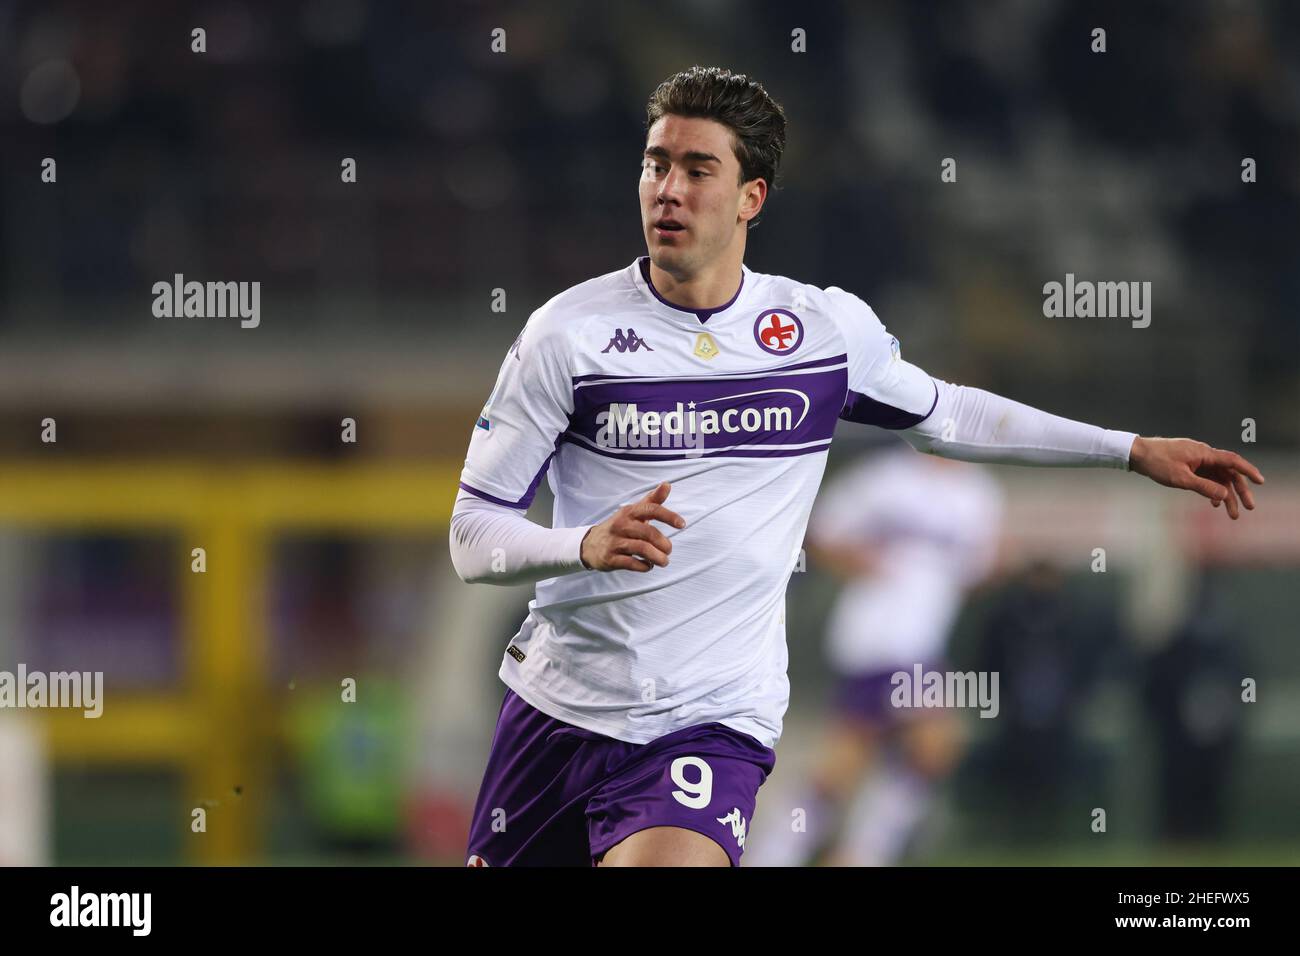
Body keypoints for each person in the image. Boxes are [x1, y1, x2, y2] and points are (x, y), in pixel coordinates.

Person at [448, 66, 1264, 867]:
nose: (668, 189)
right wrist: (580, 544)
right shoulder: (567, 336)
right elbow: (471, 535)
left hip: (710, 719)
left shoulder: (820, 331)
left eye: (699, 169)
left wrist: (1129, 449)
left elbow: (952, 414)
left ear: (750, 198)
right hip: (559, 710)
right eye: (656, 164)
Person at [748, 450, 1004, 866]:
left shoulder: (978, 492)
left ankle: (785, 853)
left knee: (852, 765)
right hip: (877, 636)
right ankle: (854, 853)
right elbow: (821, 531)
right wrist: (853, 559)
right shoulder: (887, 477)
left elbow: (973, 570)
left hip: (921, 638)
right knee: (932, 744)